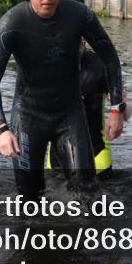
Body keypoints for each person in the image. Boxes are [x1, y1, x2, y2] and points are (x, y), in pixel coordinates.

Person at [0, 0, 126, 200]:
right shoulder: (12, 22)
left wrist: (116, 109)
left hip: (69, 115)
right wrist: (2, 130)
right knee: (30, 198)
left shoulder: (78, 15)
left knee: (87, 193)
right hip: (28, 117)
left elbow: (110, 57)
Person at [48, 41, 115, 173]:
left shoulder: (100, 65)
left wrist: (120, 110)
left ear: (83, 44)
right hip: (56, 158)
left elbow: (123, 107)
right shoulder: (48, 64)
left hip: (96, 156)